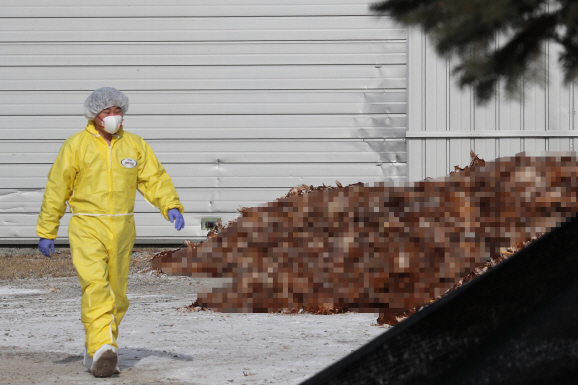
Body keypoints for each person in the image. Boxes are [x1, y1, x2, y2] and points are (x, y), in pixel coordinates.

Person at [36, 87, 185, 378]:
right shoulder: (76, 145)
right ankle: (104, 345)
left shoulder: (135, 145)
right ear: (94, 115)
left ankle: (98, 351)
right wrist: (47, 229)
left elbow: (154, 178)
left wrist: (170, 205)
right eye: (107, 111)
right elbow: (57, 188)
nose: (114, 116)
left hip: (122, 227)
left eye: (118, 111)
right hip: (87, 226)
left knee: (117, 295)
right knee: (96, 287)